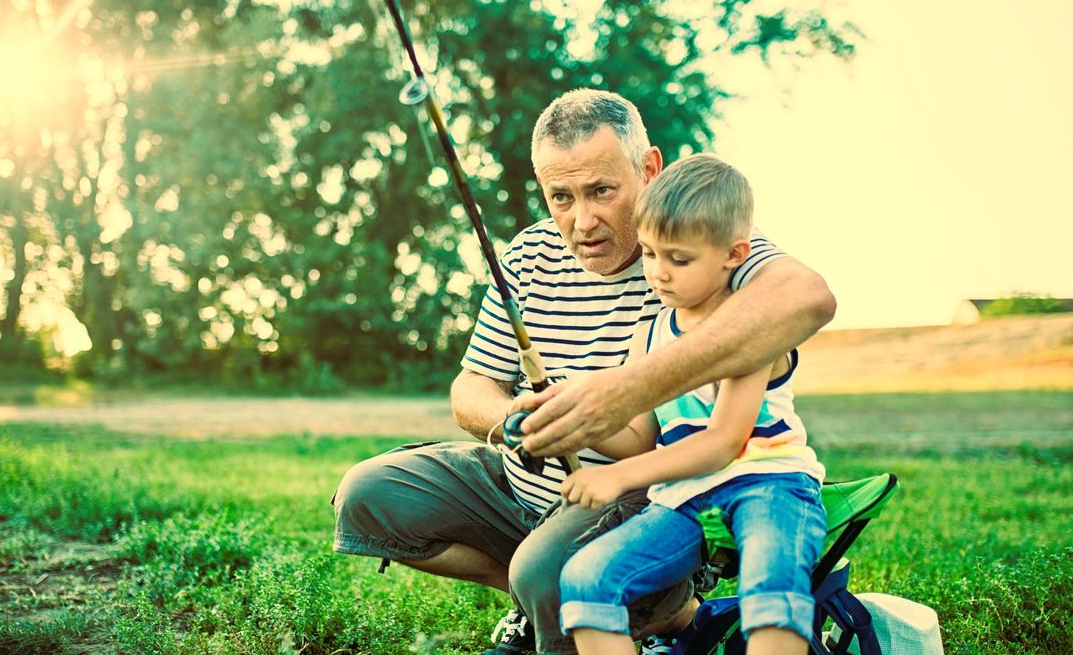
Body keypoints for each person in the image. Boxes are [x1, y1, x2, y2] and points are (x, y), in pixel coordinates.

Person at [331, 89, 836, 655]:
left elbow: (806, 297)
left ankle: (620, 604)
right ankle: (543, 604)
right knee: (369, 494)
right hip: (523, 487)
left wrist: (619, 394)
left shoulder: (700, 245)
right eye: (561, 198)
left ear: (648, 169)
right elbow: (471, 388)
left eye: (601, 191)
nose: (583, 221)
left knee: (545, 571)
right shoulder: (526, 255)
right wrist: (522, 421)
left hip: (638, 498)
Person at [557, 153, 827, 655]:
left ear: (733, 254)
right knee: (586, 579)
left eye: (678, 259)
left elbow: (722, 442)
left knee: (771, 588)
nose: (658, 273)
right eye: (649, 253)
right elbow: (637, 436)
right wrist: (568, 416)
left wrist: (618, 477)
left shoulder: (751, 329)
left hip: (767, 485)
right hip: (684, 498)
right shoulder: (649, 334)